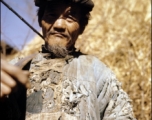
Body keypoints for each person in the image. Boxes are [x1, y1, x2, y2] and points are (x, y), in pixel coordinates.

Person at [0, 0, 136, 120]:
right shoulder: (16, 68)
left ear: (82, 27)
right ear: (41, 20)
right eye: (52, 15)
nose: (59, 25)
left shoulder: (98, 72)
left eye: (70, 18)